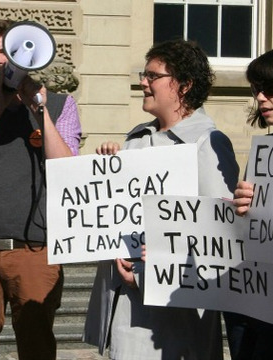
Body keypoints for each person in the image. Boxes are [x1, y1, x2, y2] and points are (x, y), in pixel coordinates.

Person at [83, 39, 239, 359]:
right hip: (128, 308)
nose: (143, 82)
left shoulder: (208, 143)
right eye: (144, 74)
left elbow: (220, 238)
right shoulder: (137, 137)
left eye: (152, 75)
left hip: (173, 325)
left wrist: (156, 266)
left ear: (183, 85)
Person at [0, 19, 82, 360]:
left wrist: (37, 108)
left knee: (37, 346)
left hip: (35, 251)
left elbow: (66, 169)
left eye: (4, 52)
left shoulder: (60, 106)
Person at [229, 49, 273, 360]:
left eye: (269, 89)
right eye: (256, 89)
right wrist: (244, 207)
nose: (260, 97)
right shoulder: (263, 155)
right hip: (260, 299)